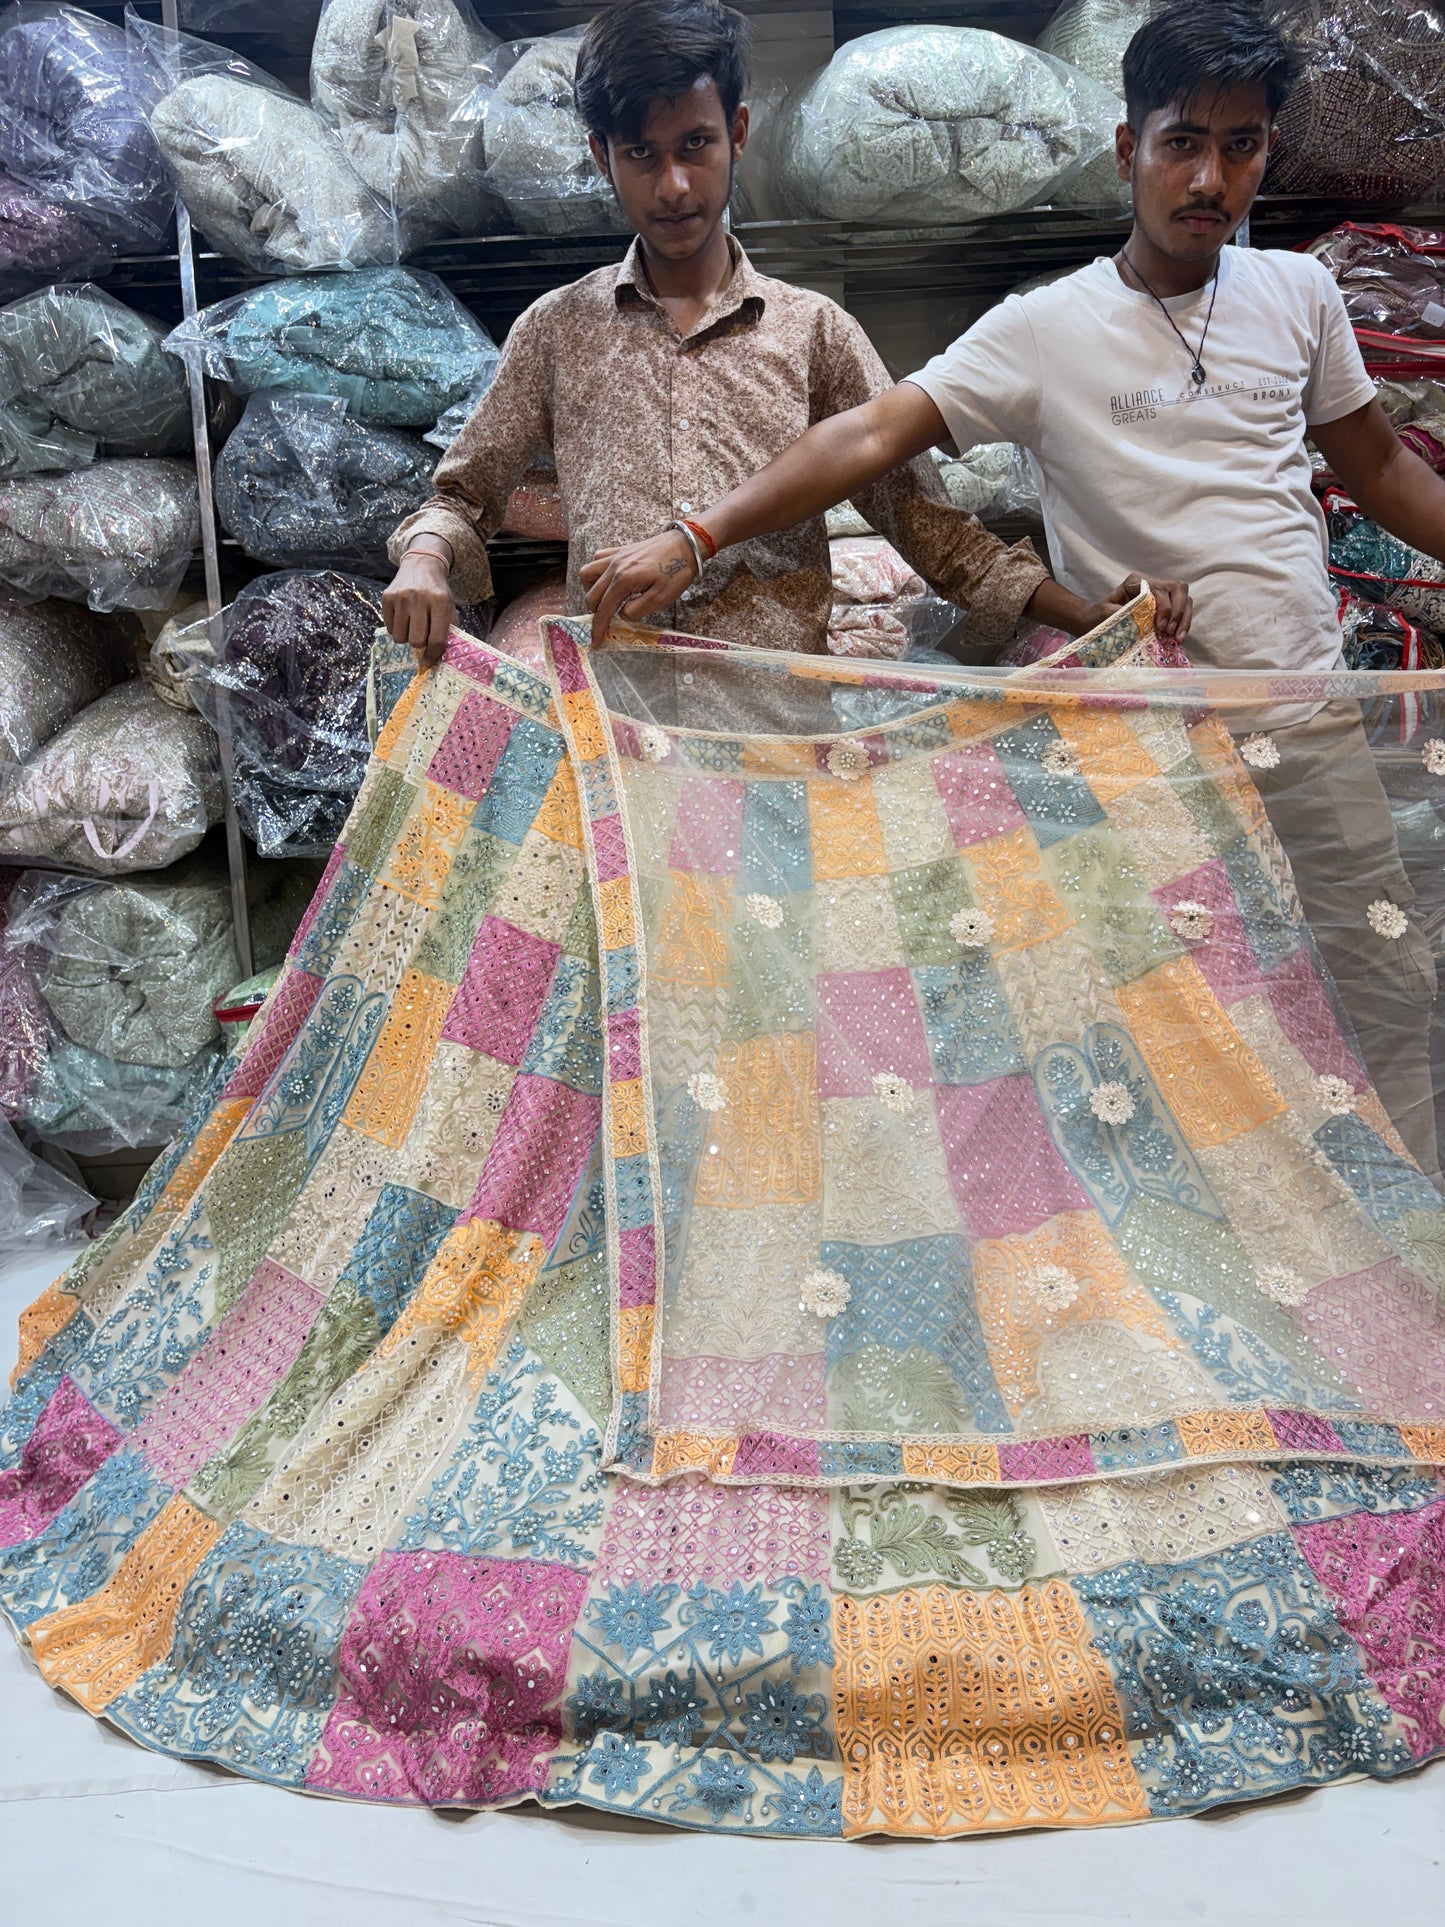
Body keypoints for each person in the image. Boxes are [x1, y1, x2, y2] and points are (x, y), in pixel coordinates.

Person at [584, 0, 1445, 1176]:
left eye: (1238, 145)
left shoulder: (1300, 300)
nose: (1208, 176)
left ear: (1265, 153)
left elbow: (1382, 469)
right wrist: (696, 534)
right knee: (1181, 1017)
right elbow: (866, 435)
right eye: (1179, 141)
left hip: (1306, 719)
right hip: (1148, 749)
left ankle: (1405, 1232)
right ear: (1122, 150)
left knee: (1380, 984)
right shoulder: (1045, 327)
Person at [382, 0, 1185, 666]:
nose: (673, 185)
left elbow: (931, 527)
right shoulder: (557, 331)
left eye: (695, 145)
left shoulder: (813, 334)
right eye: (641, 153)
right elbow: (461, 495)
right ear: (601, 156)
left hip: (781, 737)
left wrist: (1081, 612)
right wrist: (424, 557)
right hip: (621, 744)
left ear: (735, 131)